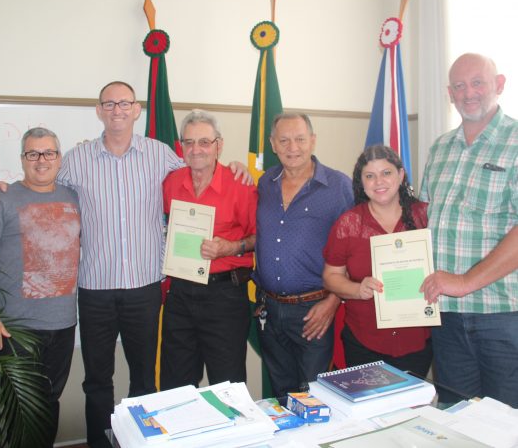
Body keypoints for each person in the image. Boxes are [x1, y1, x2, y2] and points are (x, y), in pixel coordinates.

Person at [0, 81, 250, 447]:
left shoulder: (160, 155)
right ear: (99, 111)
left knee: (144, 379)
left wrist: (235, 165)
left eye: (125, 103)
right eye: (109, 104)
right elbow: (40, 179)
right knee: (97, 381)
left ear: (137, 109)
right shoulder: (76, 159)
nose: (117, 110)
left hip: (145, 288)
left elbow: (200, 164)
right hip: (95, 290)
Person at [419, 53, 518, 407]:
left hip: (502, 316)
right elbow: (424, 217)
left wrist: (464, 282)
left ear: (499, 85)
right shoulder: (440, 148)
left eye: (478, 82)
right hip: (445, 316)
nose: (468, 93)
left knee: (505, 423)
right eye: (459, 86)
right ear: (450, 94)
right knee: (454, 419)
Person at [0, 127, 81, 447]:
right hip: (17, 330)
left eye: (49, 152)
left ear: (59, 158)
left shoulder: (73, 197)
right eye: (33, 153)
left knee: (48, 406)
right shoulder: (0, 198)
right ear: (23, 159)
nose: (41, 160)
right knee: (20, 412)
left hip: (63, 326)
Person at [253, 112, 353, 404]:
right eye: (284, 140)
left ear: (313, 140)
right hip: (270, 310)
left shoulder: (338, 186)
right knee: (282, 397)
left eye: (299, 139)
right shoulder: (265, 183)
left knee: (315, 399)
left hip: (314, 311)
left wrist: (333, 302)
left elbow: (355, 250)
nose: (292, 147)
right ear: (273, 144)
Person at [160, 110, 257, 390]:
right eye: (189, 142)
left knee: (227, 386)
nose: (196, 149)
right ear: (181, 147)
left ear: (219, 145)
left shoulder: (240, 185)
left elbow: (259, 237)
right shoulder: (171, 183)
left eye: (204, 142)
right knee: (175, 386)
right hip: (180, 294)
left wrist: (231, 247)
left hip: (224, 296)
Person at [322, 145, 433, 376]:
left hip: (417, 339)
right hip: (364, 340)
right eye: (370, 176)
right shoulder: (348, 223)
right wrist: (357, 289)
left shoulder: (426, 216)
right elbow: (331, 277)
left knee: (411, 400)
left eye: (386, 173)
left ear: (401, 175)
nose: (379, 182)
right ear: (361, 182)